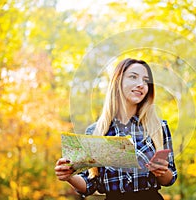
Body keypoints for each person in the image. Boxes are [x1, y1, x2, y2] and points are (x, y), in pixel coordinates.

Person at [55, 58, 177, 199]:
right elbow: (89, 184)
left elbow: (170, 178)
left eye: (145, 80)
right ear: (118, 82)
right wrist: (69, 176)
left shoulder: (158, 127)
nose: (141, 84)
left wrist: (162, 171)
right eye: (133, 77)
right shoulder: (96, 132)